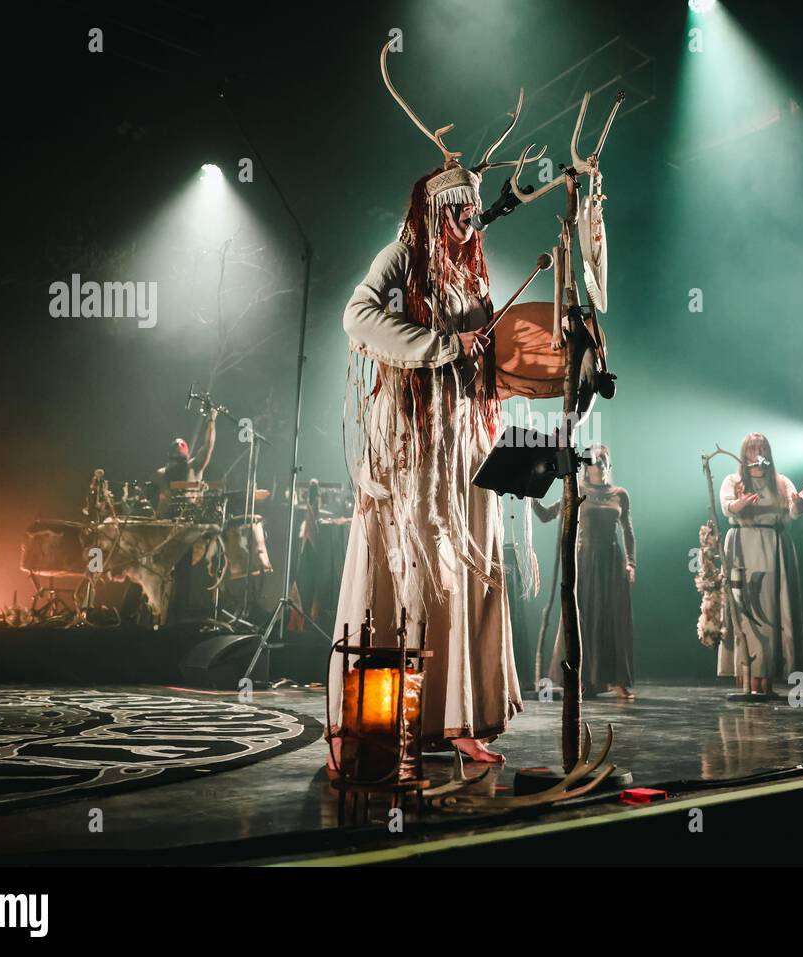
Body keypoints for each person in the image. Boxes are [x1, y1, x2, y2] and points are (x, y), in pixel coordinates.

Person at [326, 43, 525, 765]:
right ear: (437, 207)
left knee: (467, 563)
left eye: (474, 212)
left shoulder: (472, 277)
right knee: (405, 565)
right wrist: (436, 347)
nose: (470, 222)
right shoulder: (404, 252)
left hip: (466, 437)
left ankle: (459, 714)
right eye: (460, 211)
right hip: (411, 437)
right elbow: (355, 316)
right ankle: (371, 722)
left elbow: (491, 348)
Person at [533, 445, 637, 699]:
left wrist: (631, 563)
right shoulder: (577, 491)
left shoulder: (620, 494)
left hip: (612, 561)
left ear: (608, 465)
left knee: (612, 618)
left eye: (603, 460)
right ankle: (579, 678)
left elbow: (628, 531)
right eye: (594, 461)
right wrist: (531, 495)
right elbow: (547, 515)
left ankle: (617, 681)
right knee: (583, 618)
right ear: (586, 466)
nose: (598, 465)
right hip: (584, 562)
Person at [717, 432, 803, 697]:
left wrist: (799, 505)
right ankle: (749, 677)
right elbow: (726, 507)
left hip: (772, 546)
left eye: (763, 448)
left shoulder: (781, 482)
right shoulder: (733, 481)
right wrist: (740, 503)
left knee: (771, 612)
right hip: (742, 546)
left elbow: (794, 511)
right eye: (752, 448)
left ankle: (766, 678)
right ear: (744, 454)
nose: (758, 453)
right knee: (746, 610)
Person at [155, 407, 217, 517]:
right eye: (176, 446)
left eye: (181, 445)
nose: (179, 446)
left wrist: (211, 420)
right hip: (170, 517)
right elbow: (164, 497)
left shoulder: (194, 466)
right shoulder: (162, 473)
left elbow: (208, 445)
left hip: (192, 516)